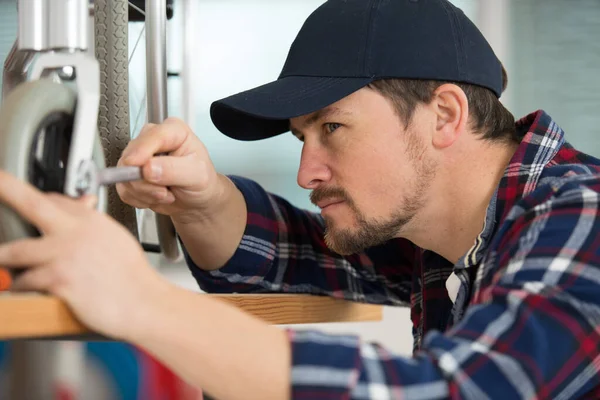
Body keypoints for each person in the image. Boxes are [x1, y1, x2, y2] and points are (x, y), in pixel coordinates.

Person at [1, 0, 600, 398]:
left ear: (444, 115)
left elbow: (446, 390)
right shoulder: (448, 240)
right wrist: (201, 200)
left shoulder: (582, 220)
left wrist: (136, 299)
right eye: (302, 139)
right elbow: (303, 254)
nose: (308, 171)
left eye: (332, 129)